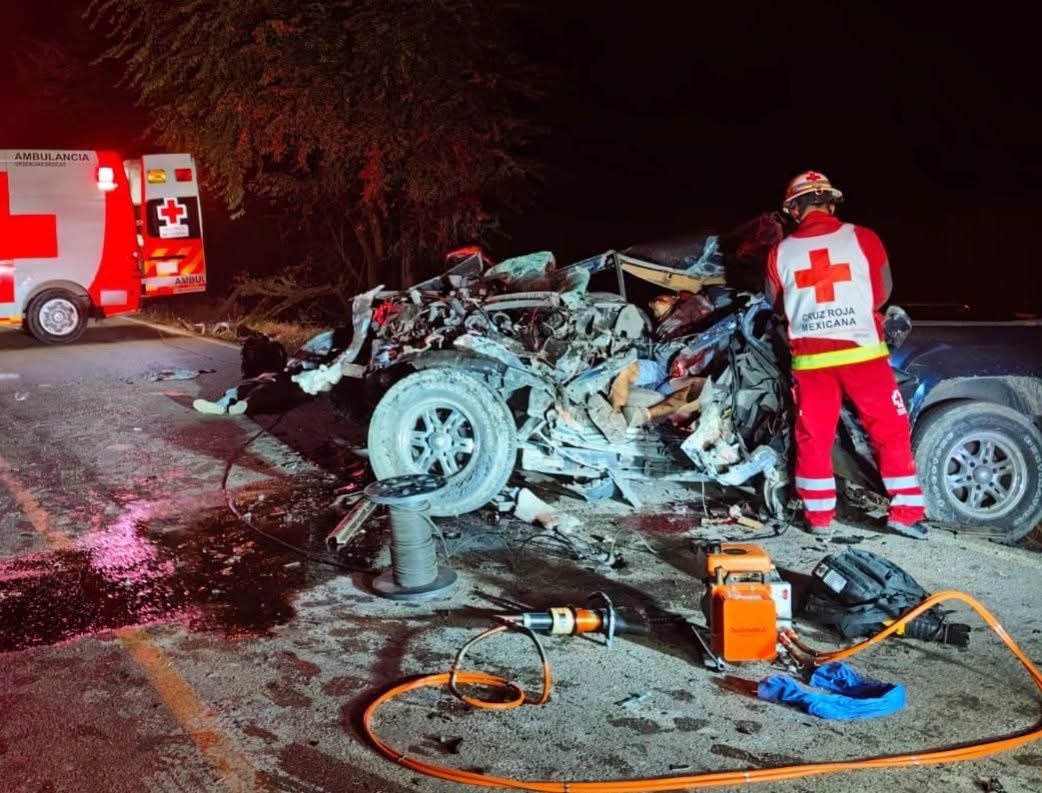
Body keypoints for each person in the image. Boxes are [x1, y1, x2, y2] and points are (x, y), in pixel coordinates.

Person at [765, 171, 927, 539]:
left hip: (811, 359)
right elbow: (882, 291)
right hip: (861, 354)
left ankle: (818, 517)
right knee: (889, 430)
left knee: (813, 435)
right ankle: (906, 513)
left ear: (794, 210)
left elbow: (774, 303)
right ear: (831, 203)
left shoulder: (780, 252)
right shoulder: (863, 237)